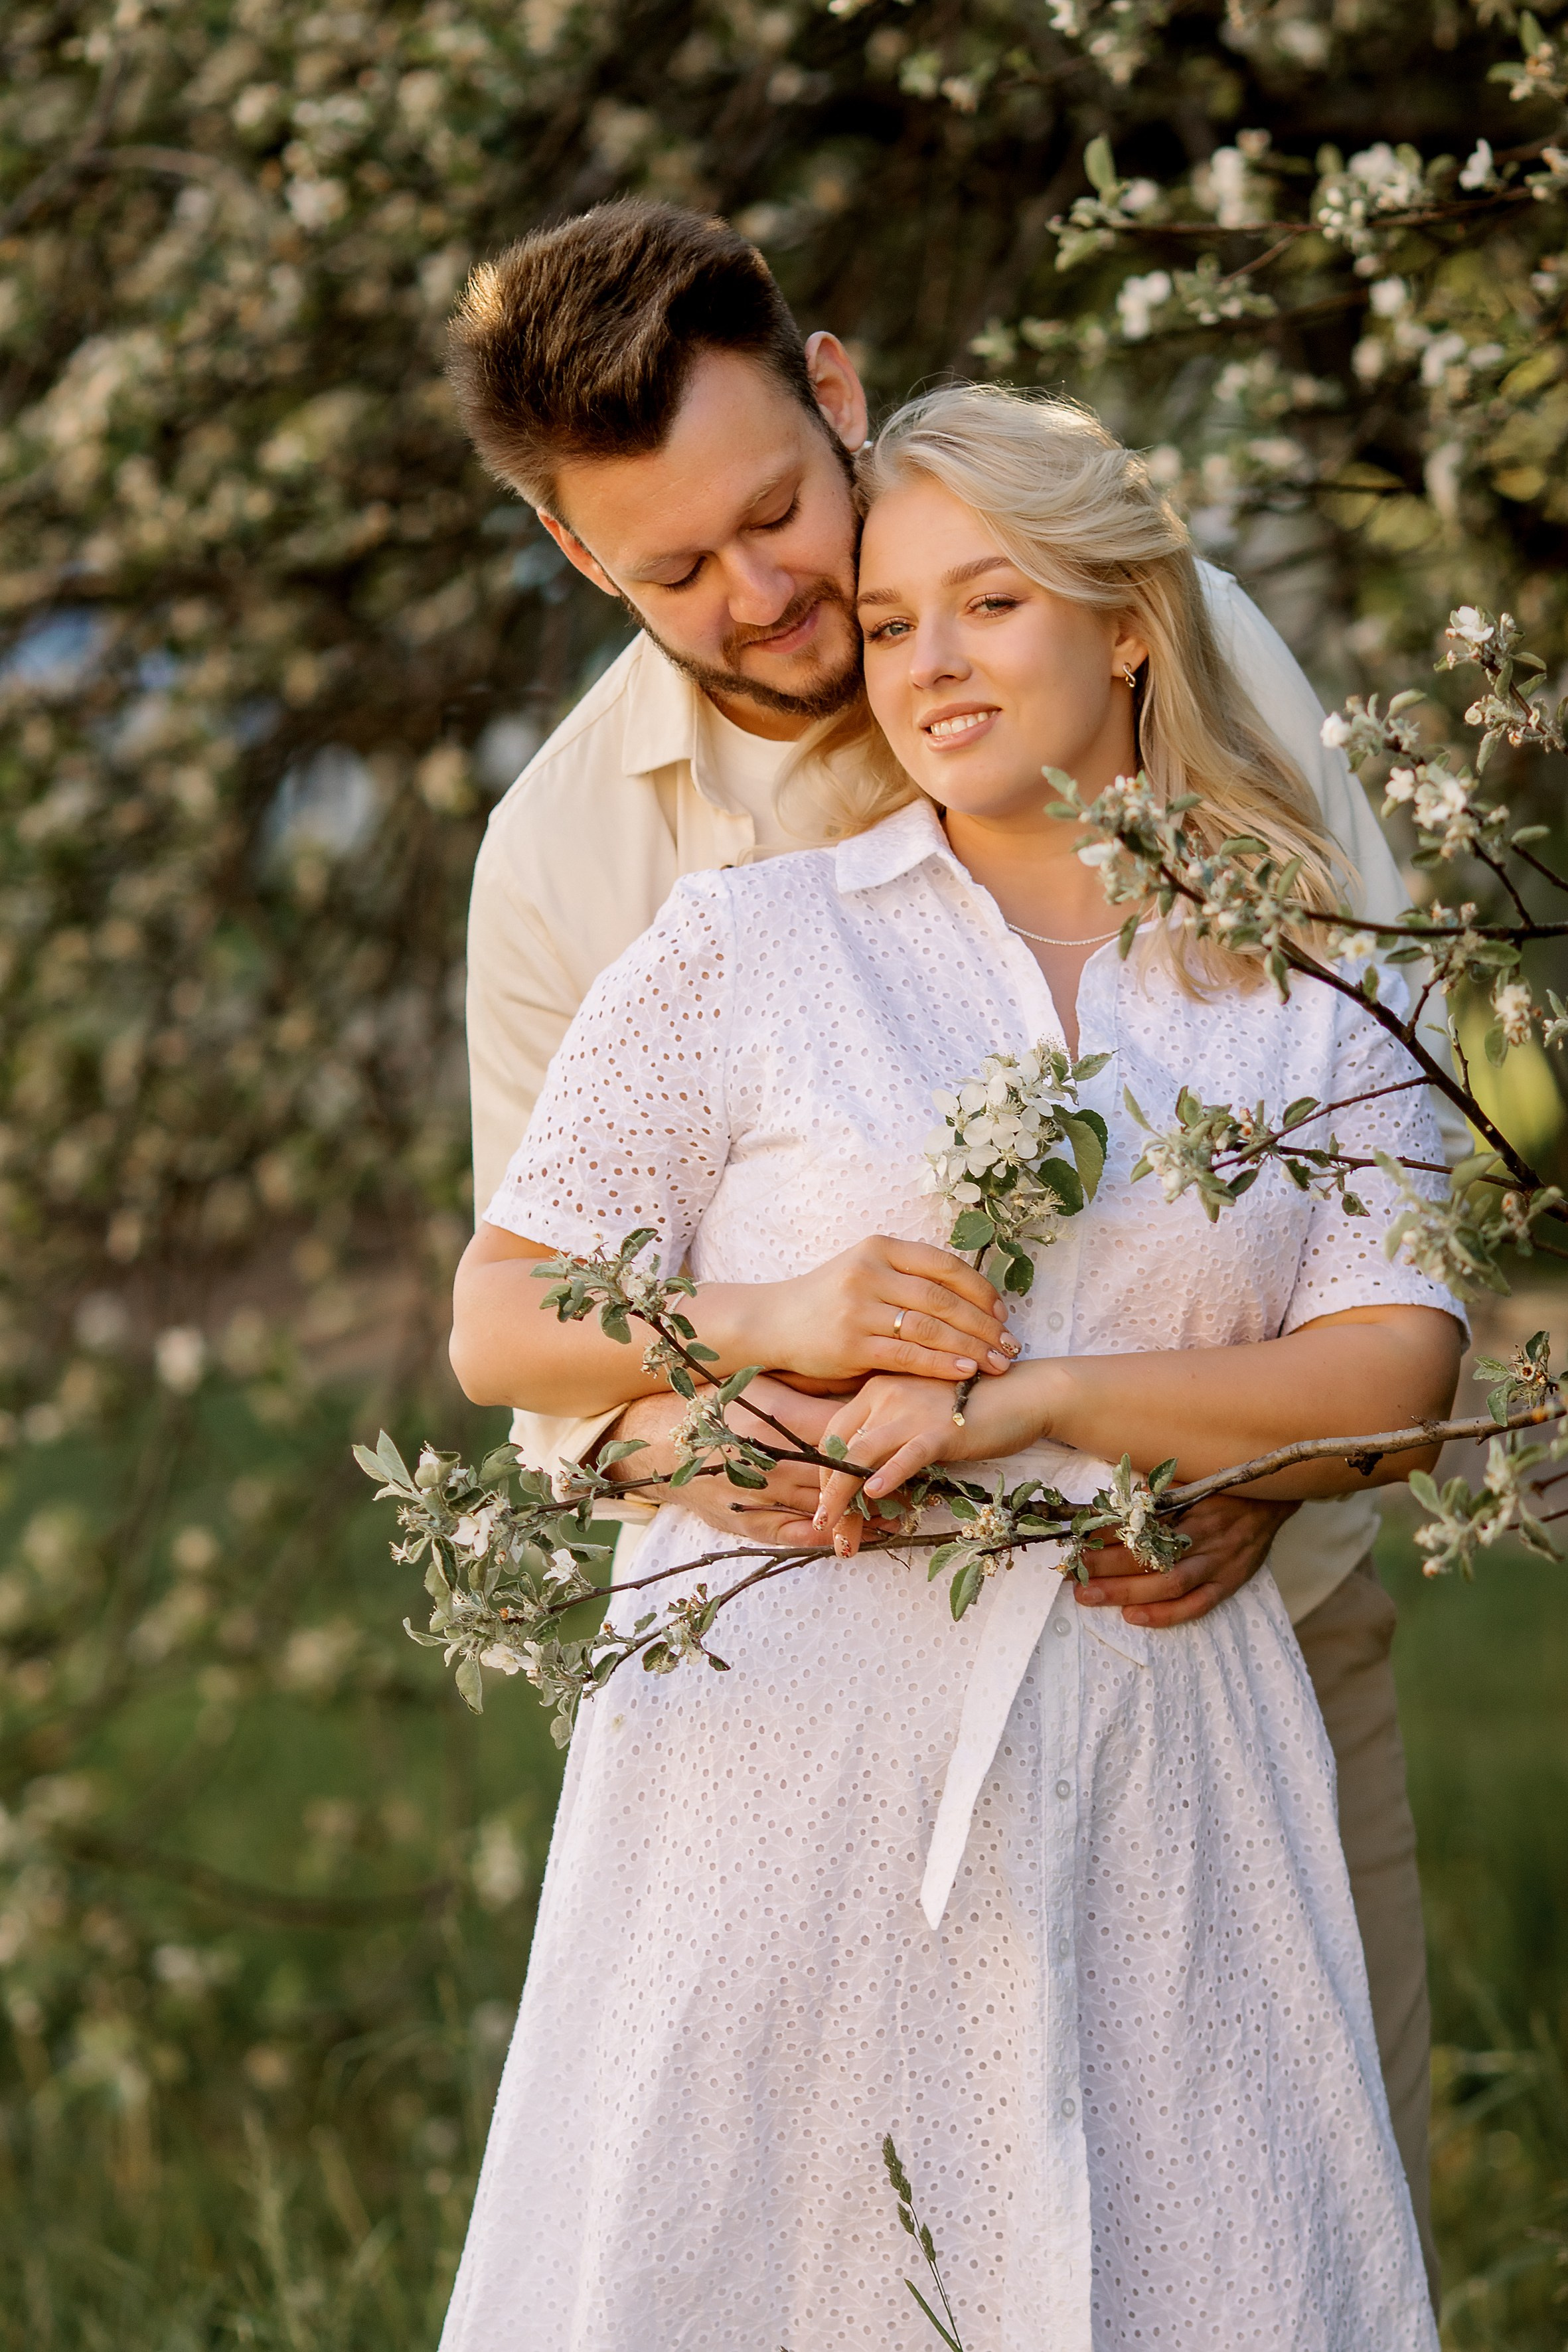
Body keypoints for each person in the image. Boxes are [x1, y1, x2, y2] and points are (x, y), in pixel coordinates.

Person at [447, 199, 1454, 2280]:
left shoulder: (1124, 625)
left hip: (1203, 1647)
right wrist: (745, 1401)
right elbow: (556, 1339)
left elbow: (1364, 1124)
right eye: (672, 572)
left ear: (832, 395)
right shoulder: (579, 865)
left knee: (1276, 2226)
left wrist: (1233, 1448)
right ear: (578, 561)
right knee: (798, 2256)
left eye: (772, 517)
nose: (767, 597)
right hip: (800, 1711)